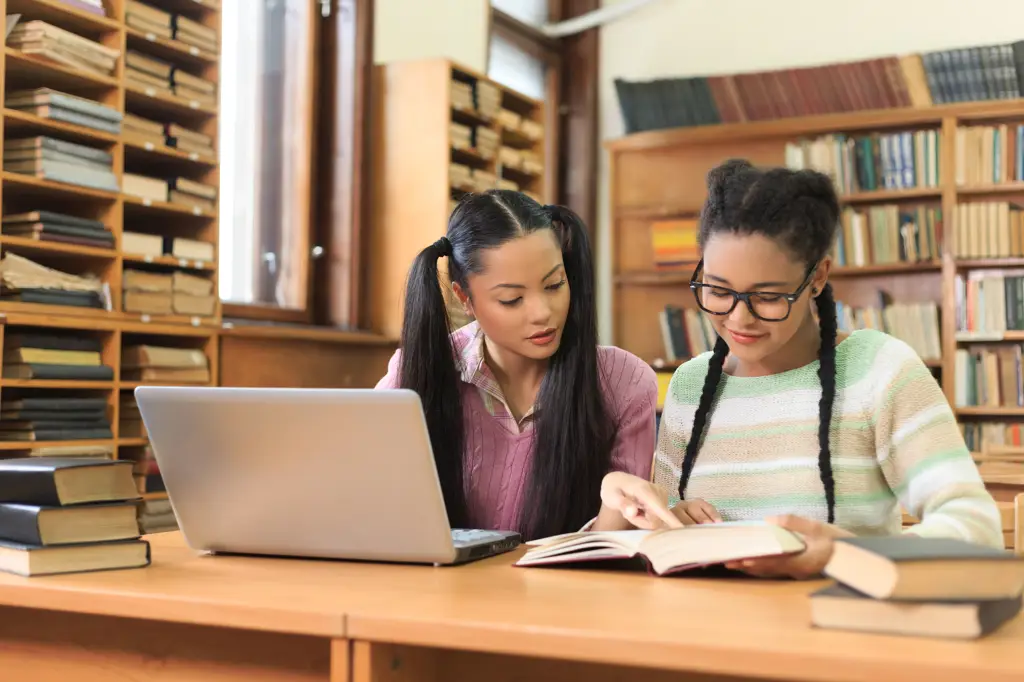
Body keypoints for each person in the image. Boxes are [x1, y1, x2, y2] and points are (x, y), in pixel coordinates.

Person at [594, 159, 1004, 577]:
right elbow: (658, 535)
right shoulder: (691, 383)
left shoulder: (879, 370)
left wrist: (842, 555)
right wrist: (671, 518)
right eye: (717, 290)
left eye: (768, 297)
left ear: (817, 278)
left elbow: (977, 528)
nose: (738, 319)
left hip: (837, 629)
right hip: (707, 631)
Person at [375, 190, 660, 541]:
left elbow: (617, 549)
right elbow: (369, 504)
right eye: (512, 299)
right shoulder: (416, 372)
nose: (543, 313)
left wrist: (618, 505)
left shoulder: (625, 383)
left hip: (567, 592)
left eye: (555, 284)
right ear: (465, 298)